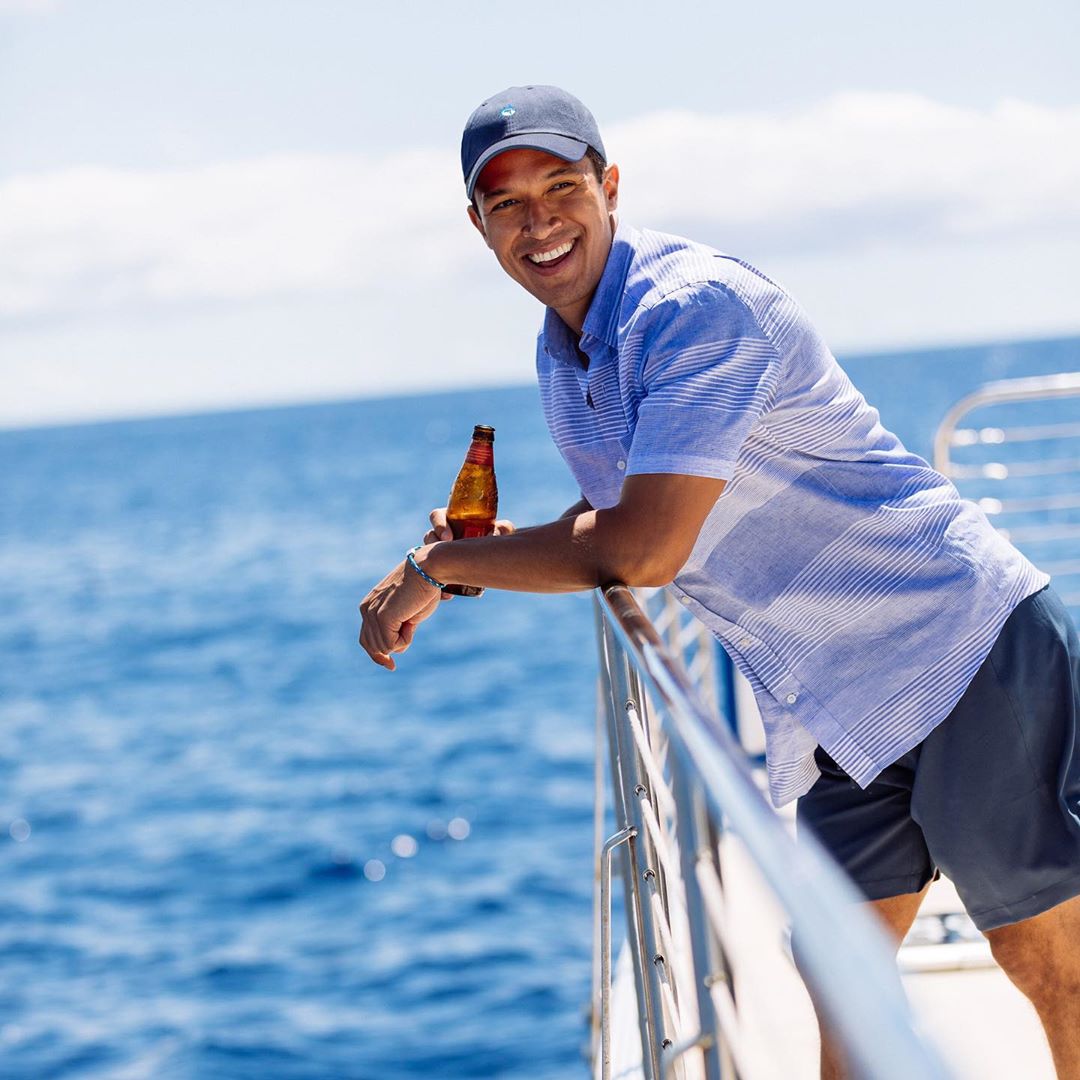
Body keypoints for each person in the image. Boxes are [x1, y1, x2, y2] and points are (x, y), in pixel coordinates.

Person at [359, 85, 1080, 1077]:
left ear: (610, 186)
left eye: (561, 187)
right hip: (834, 696)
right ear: (478, 226)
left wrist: (440, 564)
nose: (539, 222)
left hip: (957, 646)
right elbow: (614, 523)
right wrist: (476, 560)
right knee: (838, 975)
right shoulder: (562, 348)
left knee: (1044, 955)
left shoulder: (691, 306)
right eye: (507, 204)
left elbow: (644, 552)